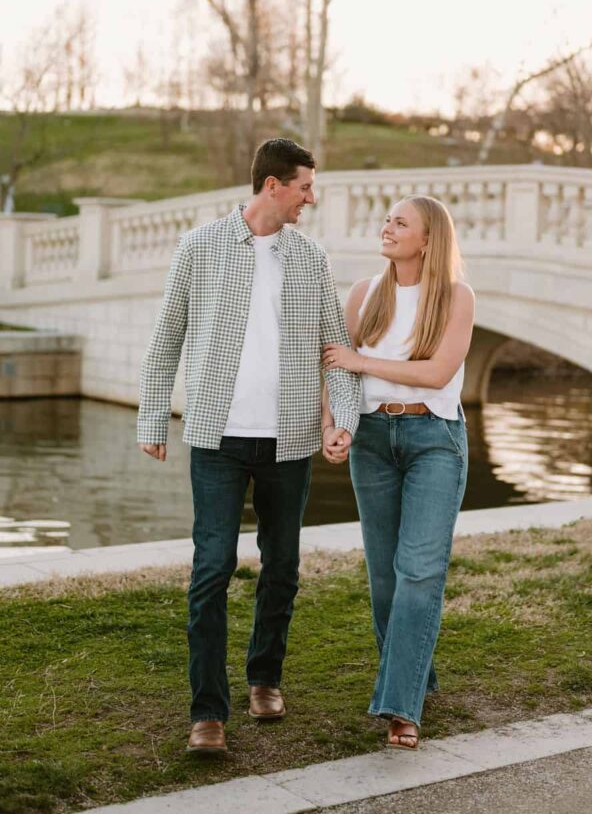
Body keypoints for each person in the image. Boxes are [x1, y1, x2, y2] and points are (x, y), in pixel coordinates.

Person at [137, 138, 360, 756]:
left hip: (289, 440)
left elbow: (336, 349)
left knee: (281, 568)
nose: (311, 198)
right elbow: (167, 338)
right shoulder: (200, 247)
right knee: (212, 568)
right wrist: (152, 418)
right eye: (305, 187)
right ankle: (208, 712)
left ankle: (265, 678)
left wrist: (342, 420)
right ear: (272, 185)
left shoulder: (310, 258)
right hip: (217, 439)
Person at [322, 195, 474, 751]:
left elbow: (437, 374)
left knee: (419, 572)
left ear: (428, 240)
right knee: (384, 576)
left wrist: (362, 362)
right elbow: (335, 370)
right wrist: (333, 424)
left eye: (400, 222)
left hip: (435, 440)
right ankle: (415, 676)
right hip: (371, 441)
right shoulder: (364, 294)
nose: (387, 227)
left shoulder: (457, 297)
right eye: (387, 219)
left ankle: (401, 708)